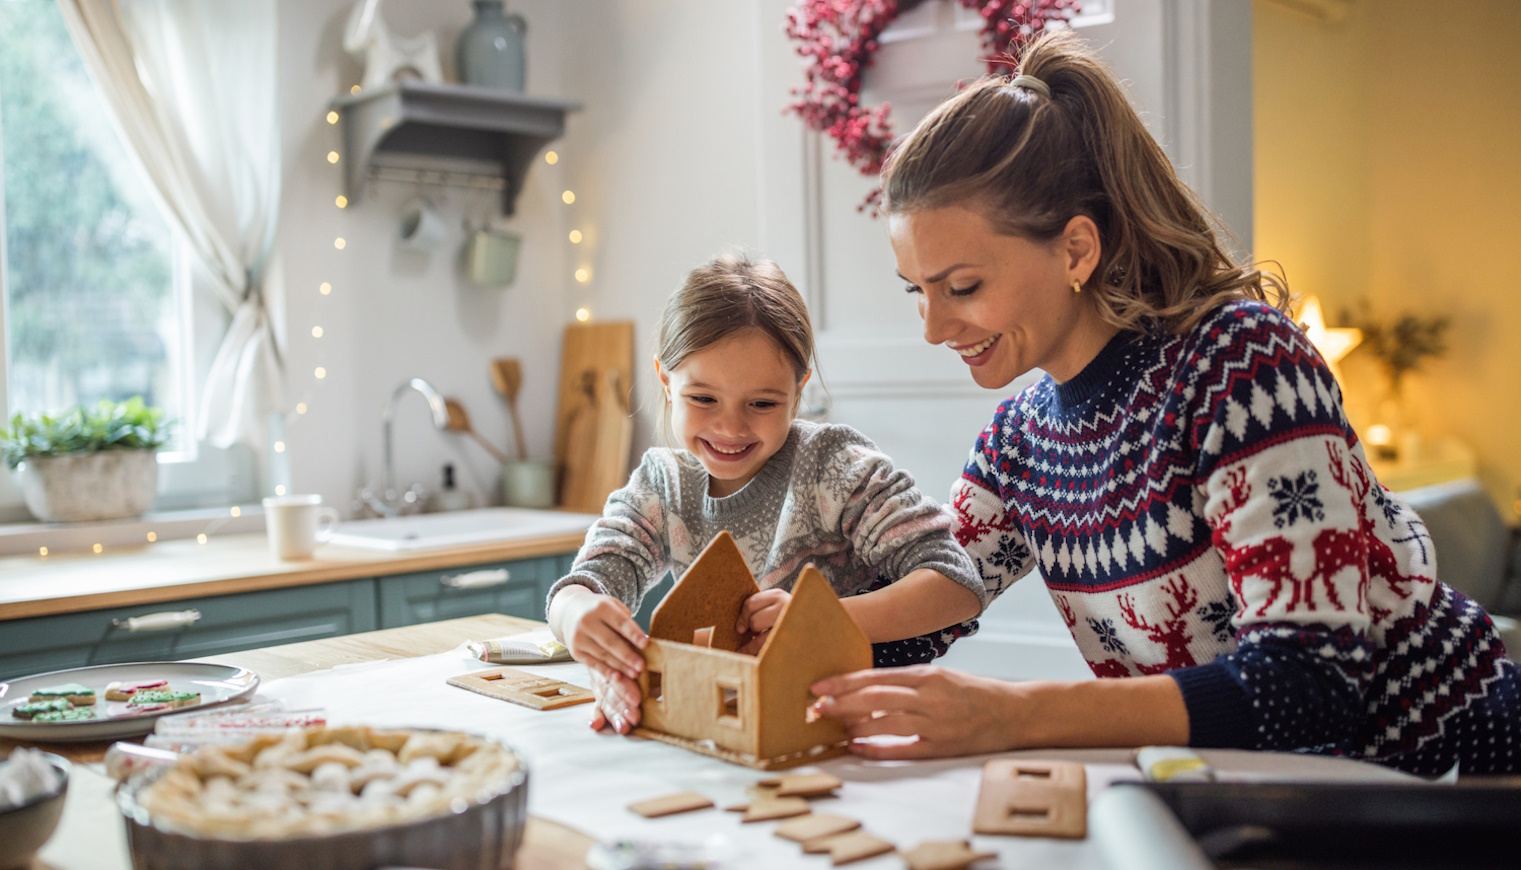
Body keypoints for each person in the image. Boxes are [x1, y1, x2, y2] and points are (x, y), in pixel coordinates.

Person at [811, 29, 1521, 776]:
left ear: (1076, 250)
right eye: (916, 292)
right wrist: (790, 626)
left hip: (1447, 780)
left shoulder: (1238, 365)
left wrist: (1014, 713)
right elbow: (932, 600)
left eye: (961, 288)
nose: (932, 329)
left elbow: (1309, 684)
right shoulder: (1017, 443)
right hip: (1261, 795)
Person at [546, 253, 988, 734]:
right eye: (703, 398)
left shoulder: (833, 465)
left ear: (797, 392)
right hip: (724, 727)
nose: (730, 426)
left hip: (851, 727)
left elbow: (956, 586)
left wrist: (814, 620)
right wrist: (576, 615)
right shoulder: (661, 484)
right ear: (665, 382)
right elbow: (587, 582)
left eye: (761, 403)